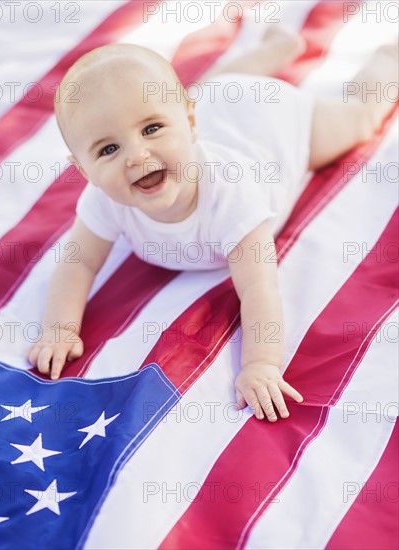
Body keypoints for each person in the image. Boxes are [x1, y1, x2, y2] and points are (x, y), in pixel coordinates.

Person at [26, 30, 398, 422]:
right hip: (219, 103)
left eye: (151, 129)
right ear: (84, 170)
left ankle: (387, 60)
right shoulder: (105, 199)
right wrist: (59, 329)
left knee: (357, 119)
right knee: (213, 89)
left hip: (273, 122)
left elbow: (258, 287)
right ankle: (277, 50)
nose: (137, 155)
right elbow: (77, 263)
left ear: (190, 123)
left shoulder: (231, 196)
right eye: (108, 149)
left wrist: (260, 364)